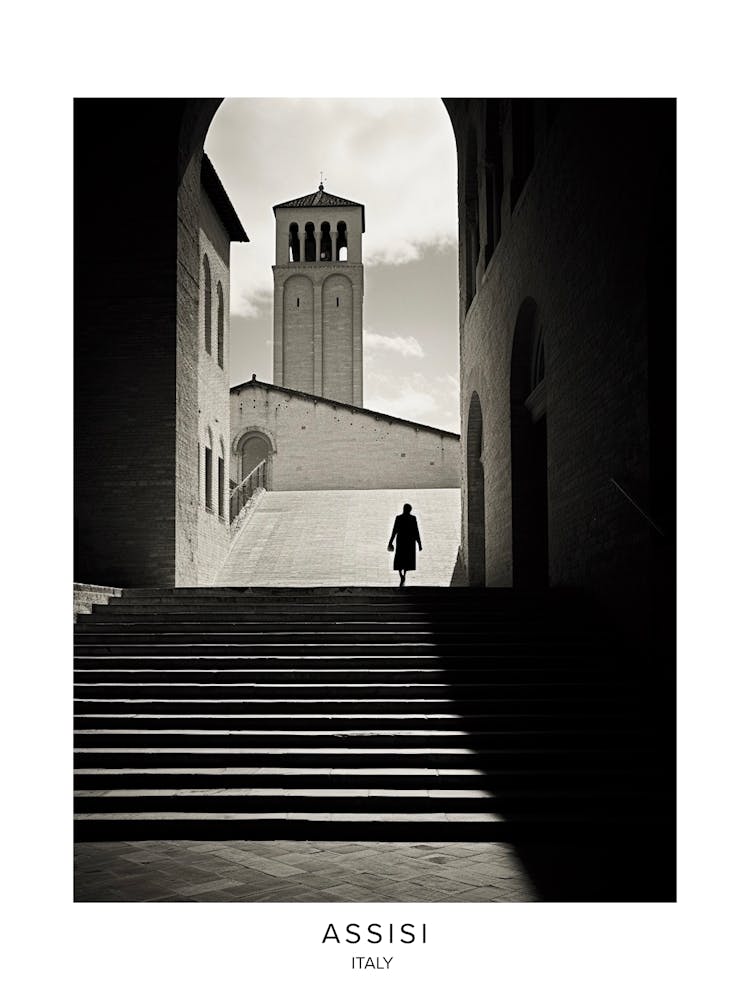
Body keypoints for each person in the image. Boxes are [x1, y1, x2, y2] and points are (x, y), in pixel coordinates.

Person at [387, 503, 422, 587]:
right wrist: (419, 543)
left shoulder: (399, 518)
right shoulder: (413, 518)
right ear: (410, 510)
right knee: (407, 559)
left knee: (399, 558)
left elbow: (394, 531)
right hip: (410, 541)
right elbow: (416, 531)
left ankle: (401, 575)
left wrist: (390, 541)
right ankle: (404, 575)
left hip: (401, 541)